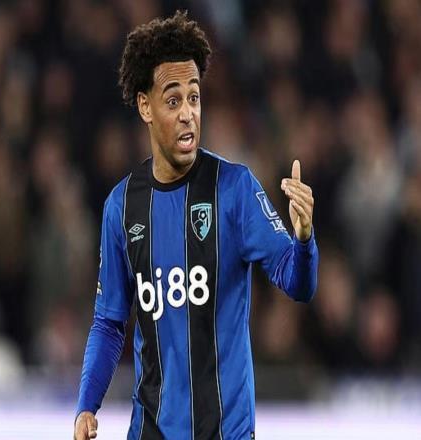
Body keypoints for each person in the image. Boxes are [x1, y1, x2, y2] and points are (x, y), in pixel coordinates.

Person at [74, 10, 318, 440]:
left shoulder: (235, 188)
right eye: (173, 101)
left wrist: (303, 240)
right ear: (145, 107)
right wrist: (86, 407)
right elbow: (109, 322)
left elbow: (298, 283)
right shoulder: (122, 207)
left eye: (194, 98)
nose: (188, 113)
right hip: (150, 431)